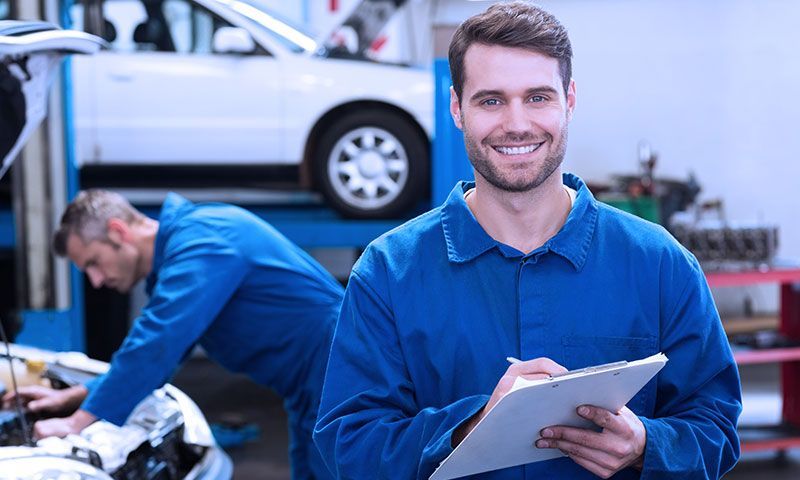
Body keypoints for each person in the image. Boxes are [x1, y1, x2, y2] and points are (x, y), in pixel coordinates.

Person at [313, 2, 741, 479]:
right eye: (491, 100)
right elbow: (348, 446)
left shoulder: (659, 263)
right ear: (457, 107)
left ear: (570, 100)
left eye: (537, 97)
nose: (516, 123)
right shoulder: (389, 272)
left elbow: (717, 430)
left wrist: (647, 445)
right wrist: (471, 425)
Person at [3, 190, 343, 479]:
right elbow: (158, 360)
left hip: (340, 373)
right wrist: (74, 396)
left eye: (93, 262)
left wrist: (76, 422)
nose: (95, 280)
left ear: (118, 232)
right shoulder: (192, 244)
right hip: (313, 387)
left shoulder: (204, 240)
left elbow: (157, 343)